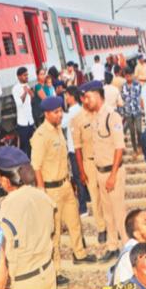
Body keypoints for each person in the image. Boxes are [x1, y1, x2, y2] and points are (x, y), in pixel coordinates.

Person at [30, 97, 97, 286]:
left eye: (61, 111)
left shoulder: (59, 129)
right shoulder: (40, 136)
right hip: (51, 190)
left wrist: (71, 182)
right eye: (56, 112)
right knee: (55, 232)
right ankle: (55, 270)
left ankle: (79, 253)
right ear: (46, 114)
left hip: (65, 185)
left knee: (75, 222)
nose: (60, 115)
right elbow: (36, 166)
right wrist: (42, 192)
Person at [0, 146, 56, 289]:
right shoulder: (45, 199)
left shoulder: (2, 218)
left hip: (24, 284)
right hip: (48, 276)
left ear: (3, 180)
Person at [83, 81, 128, 262]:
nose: (86, 100)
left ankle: (126, 248)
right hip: (101, 172)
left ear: (97, 95)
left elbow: (119, 148)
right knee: (108, 213)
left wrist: (113, 175)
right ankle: (112, 246)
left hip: (113, 172)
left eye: (88, 96)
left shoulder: (112, 116)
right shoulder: (95, 117)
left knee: (119, 213)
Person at [72, 84, 107, 244]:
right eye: (85, 96)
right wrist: (81, 171)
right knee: (95, 197)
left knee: (108, 196)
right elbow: (77, 148)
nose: (88, 99)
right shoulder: (77, 120)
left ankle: (112, 226)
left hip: (104, 160)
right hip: (89, 163)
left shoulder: (101, 113)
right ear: (81, 99)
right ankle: (101, 228)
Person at [61, 86, 89, 216]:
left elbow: (61, 124)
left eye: (66, 96)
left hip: (74, 149)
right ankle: (88, 197)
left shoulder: (71, 113)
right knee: (85, 173)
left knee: (78, 177)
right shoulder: (80, 109)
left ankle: (83, 207)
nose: (65, 98)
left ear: (72, 96)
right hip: (83, 147)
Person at [12, 67, 35, 157]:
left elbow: (32, 98)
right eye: (24, 75)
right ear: (19, 77)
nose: (27, 77)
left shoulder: (27, 85)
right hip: (22, 122)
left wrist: (30, 93)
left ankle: (31, 161)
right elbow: (19, 104)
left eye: (27, 75)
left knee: (31, 143)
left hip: (30, 120)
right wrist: (25, 92)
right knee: (23, 145)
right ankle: (23, 164)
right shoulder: (15, 89)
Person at [121, 67, 143, 159]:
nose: (128, 77)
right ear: (125, 76)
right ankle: (134, 150)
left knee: (139, 130)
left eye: (130, 75)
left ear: (132, 75)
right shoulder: (123, 87)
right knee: (132, 132)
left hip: (137, 111)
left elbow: (141, 97)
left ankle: (140, 146)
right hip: (128, 112)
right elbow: (123, 99)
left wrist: (142, 108)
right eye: (127, 76)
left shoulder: (138, 85)